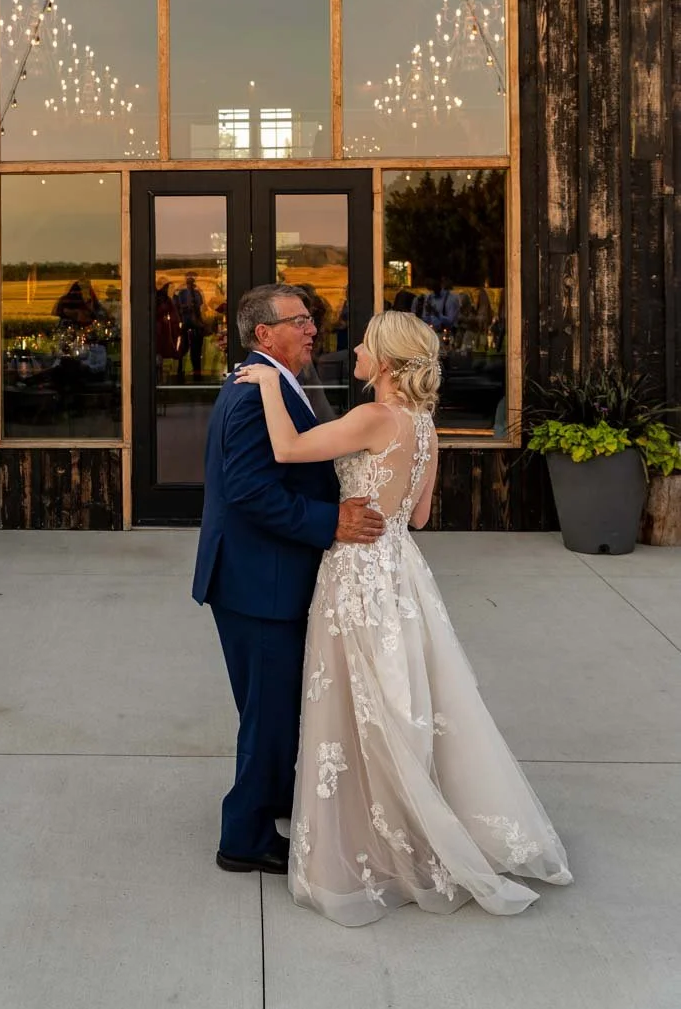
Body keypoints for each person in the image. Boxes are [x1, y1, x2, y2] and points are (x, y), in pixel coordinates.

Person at [235, 310, 572, 923]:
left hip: (356, 572)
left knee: (359, 700)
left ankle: (377, 837)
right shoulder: (424, 426)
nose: (354, 349)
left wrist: (263, 384)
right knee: (401, 696)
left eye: (363, 344)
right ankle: (418, 821)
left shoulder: (371, 417)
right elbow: (416, 517)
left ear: (385, 361)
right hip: (401, 570)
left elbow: (286, 449)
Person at [192, 284, 385, 877]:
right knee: (269, 713)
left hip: (262, 576)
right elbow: (251, 492)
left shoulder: (271, 381)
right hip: (258, 582)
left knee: (274, 707)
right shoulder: (254, 393)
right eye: (298, 321)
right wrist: (333, 522)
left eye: (310, 318)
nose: (311, 329)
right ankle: (244, 837)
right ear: (263, 334)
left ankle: (272, 801)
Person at [175, 273, 206, 381]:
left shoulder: (197, 293)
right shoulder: (181, 293)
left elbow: (201, 308)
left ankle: (197, 375)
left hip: (196, 325)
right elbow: (177, 307)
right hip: (185, 324)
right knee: (183, 351)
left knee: (196, 352)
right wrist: (186, 308)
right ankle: (180, 374)